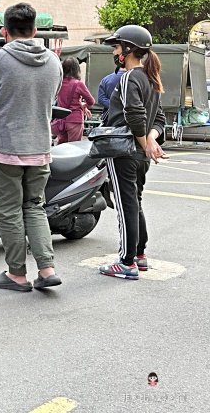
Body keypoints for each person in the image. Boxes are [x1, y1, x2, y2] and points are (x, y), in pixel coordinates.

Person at [0, 2, 63, 292]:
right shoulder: (53, 61)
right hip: (39, 147)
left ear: (5, 30)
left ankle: (17, 274)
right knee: (34, 206)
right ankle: (47, 269)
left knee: (9, 210)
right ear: (35, 30)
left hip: (4, 149)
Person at [98, 25, 167, 280]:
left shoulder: (129, 77)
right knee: (134, 202)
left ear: (127, 49)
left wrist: (145, 141)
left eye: (117, 46)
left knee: (126, 204)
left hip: (123, 151)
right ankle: (139, 254)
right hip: (138, 155)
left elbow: (134, 115)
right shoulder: (151, 79)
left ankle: (126, 262)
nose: (115, 51)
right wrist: (149, 140)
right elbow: (159, 119)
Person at [54, 57, 95, 144]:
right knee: (74, 148)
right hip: (74, 119)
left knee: (61, 148)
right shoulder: (78, 84)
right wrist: (84, 106)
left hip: (61, 121)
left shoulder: (58, 83)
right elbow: (91, 101)